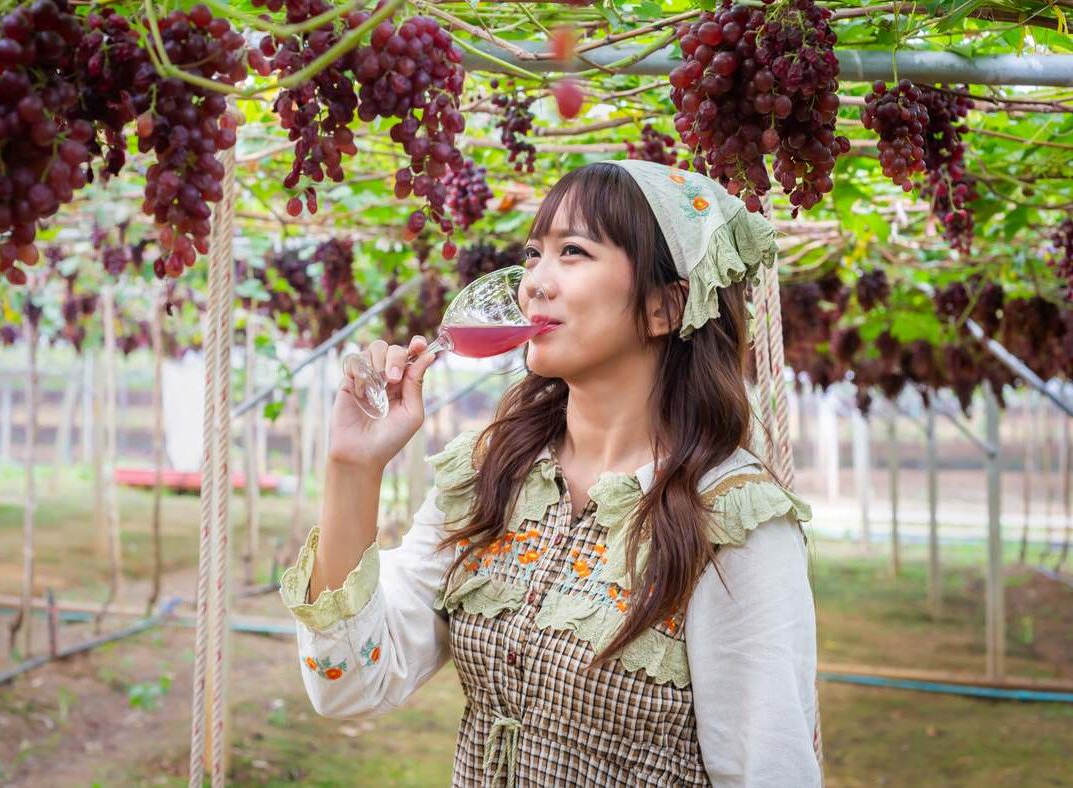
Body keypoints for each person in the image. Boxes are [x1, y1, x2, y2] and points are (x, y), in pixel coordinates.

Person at [279, 160, 822, 787]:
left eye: (573, 251)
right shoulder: (493, 470)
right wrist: (354, 467)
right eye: (534, 253)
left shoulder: (732, 522)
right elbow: (349, 684)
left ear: (663, 307)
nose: (534, 281)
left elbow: (767, 769)